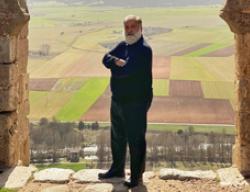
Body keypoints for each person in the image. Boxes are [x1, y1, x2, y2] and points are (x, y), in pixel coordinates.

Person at [98, 15, 153, 188]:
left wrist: (115, 65)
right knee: (117, 137)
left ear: (140, 29)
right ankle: (117, 169)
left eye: (133, 27)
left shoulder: (144, 49)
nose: (129, 30)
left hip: (136, 102)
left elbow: (127, 71)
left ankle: (137, 176)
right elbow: (105, 58)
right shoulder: (123, 46)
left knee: (135, 139)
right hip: (118, 100)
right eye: (127, 27)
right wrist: (116, 61)